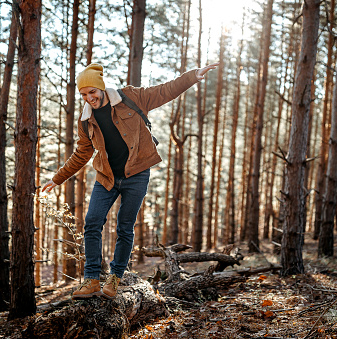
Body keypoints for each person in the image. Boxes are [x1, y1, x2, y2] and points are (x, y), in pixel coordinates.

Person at [42, 62, 219, 299]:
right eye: (83, 94)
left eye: (92, 92)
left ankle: (115, 278)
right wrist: (57, 179)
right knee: (92, 222)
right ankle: (92, 279)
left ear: (101, 87)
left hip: (137, 174)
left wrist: (192, 77)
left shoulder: (131, 98)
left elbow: (164, 91)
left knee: (125, 226)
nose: (89, 98)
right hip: (106, 177)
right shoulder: (85, 121)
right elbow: (82, 153)